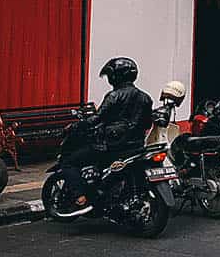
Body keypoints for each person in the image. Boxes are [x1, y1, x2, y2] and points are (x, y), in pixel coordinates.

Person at [59, 56, 153, 215]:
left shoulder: (114, 96)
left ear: (116, 76)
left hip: (111, 146)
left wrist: (74, 127)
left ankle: (80, 197)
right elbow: (146, 123)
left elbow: (97, 118)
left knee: (68, 162)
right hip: (135, 146)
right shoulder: (145, 97)